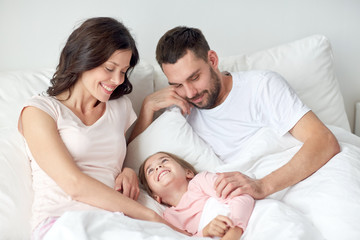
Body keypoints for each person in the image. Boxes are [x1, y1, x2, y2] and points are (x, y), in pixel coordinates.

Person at [129, 26, 340, 201]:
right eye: (178, 84)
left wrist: (262, 186)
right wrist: (148, 106)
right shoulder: (180, 110)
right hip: (241, 200)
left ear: (212, 60)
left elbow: (324, 140)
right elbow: (133, 158)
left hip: (292, 180)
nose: (190, 92)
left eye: (194, 77)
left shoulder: (262, 86)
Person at [18, 17, 180, 239]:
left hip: (114, 221)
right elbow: (73, 184)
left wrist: (129, 170)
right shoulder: (40, 111)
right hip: (62, 221)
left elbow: (124, 152)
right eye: (110, 68)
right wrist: (151, 216)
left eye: (123, 71)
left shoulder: (119, 107)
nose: (116, 80)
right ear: (83, 59)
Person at [139, 151, 255, 239]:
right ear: (155, 196)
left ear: (187, 172)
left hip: (241, 222)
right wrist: (205, 232)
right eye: (150, 170)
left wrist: (235, 229)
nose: (158, 167)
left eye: (164, 161)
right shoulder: (169, 218)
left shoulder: (200, 181)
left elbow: (241, 195)